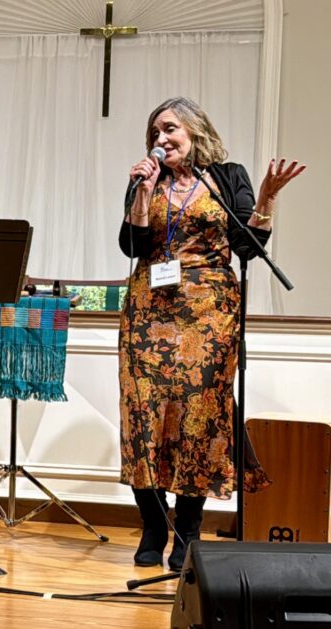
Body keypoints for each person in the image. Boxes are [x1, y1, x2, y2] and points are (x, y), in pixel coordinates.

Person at [118, 97, 304, 571]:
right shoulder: (145, 180)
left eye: (170, 129)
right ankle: (153, 525)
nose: (161, 139)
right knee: (144, 418)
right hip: (148, 311)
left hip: (209, 314)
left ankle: (188, 530)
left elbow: (247, 244)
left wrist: (266, 199)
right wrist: (141, 195)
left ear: (195, 131)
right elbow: (131, 246)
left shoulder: (226, 177)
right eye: (155, 132)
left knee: (197, 419)